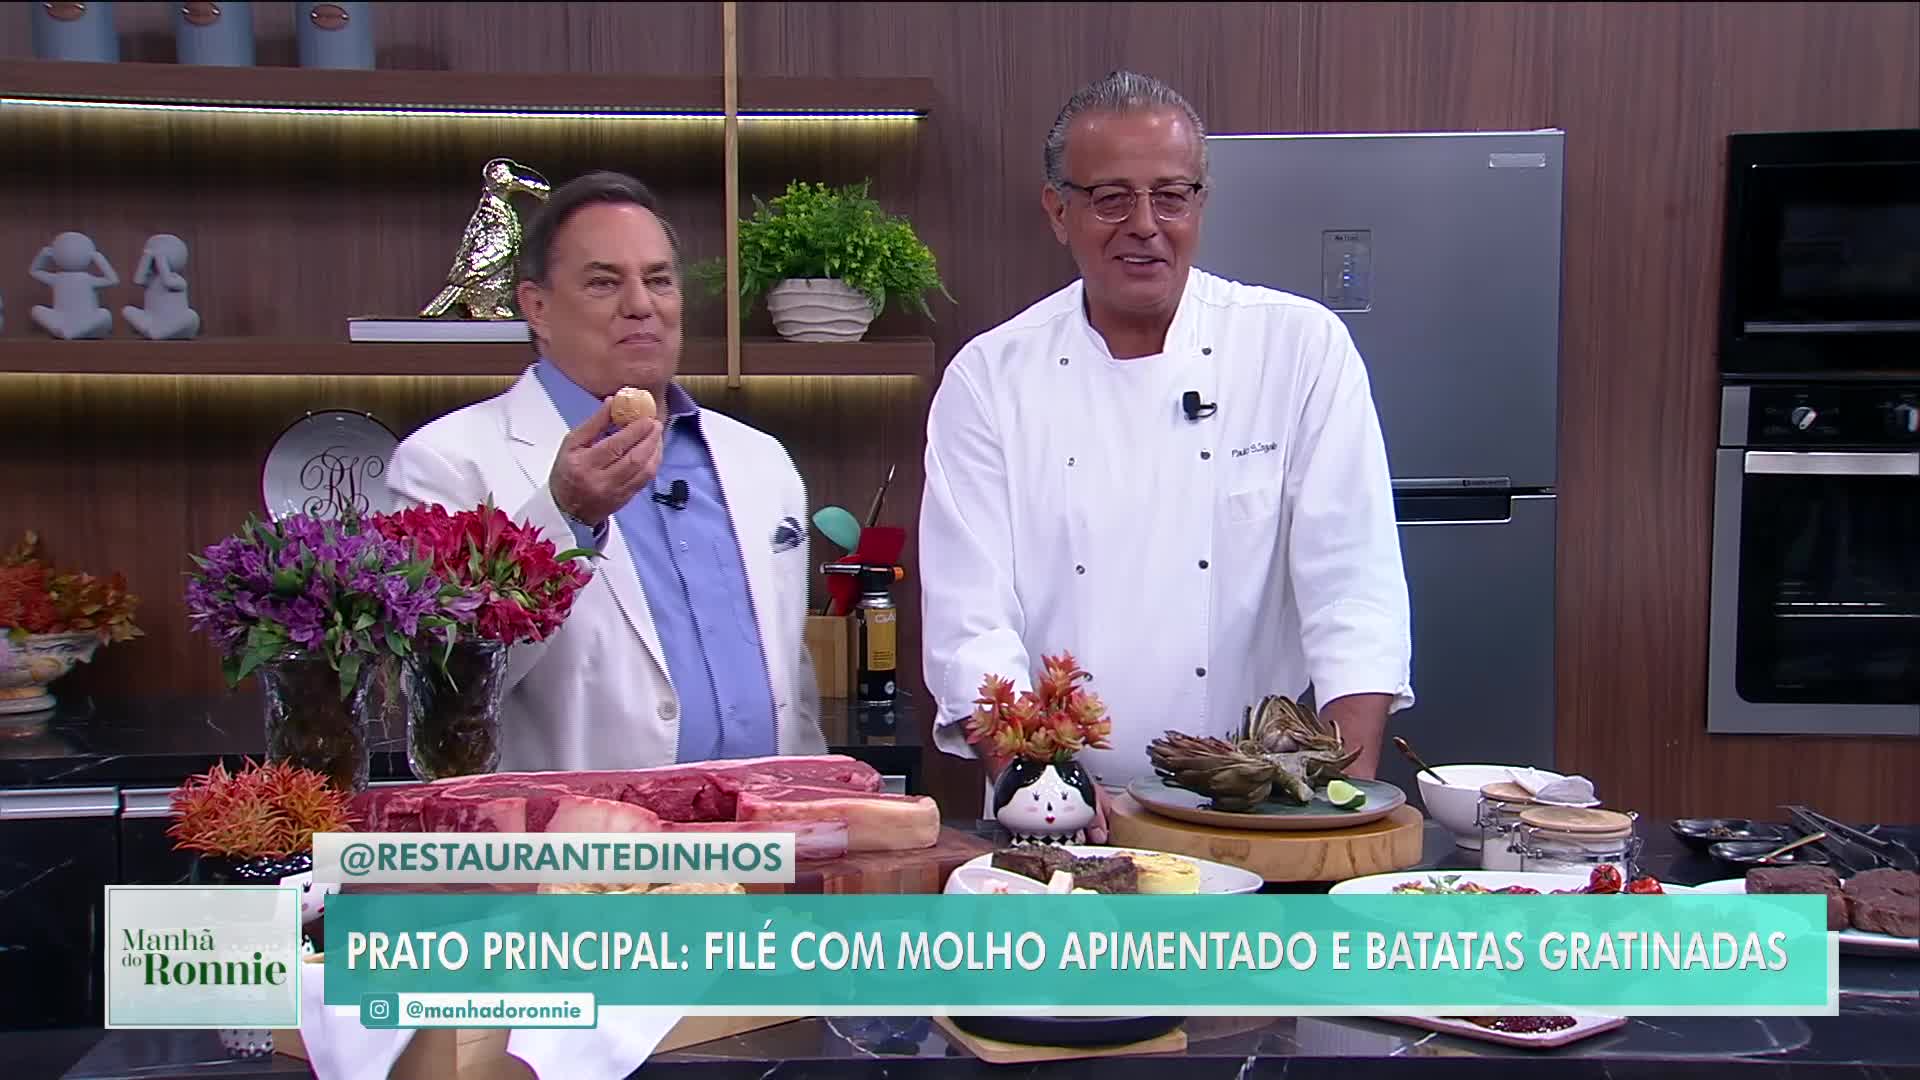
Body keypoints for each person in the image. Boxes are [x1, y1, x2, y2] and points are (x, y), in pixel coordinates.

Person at [919, 71, 1413, 840]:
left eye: (1171, 196)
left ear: (1200, 204)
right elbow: (970, 627)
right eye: (1111, 198)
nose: (1145, 225)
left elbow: (1354, 594)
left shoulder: (1299, 348)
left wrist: (1337, 805)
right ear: (1058, 211)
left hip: (1259, 810)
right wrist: (1050, 790)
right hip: (1061, 818)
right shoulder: (990, 379)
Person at [387, 171, 824, 773]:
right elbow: (438, 688)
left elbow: (791, 687)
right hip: (573, 829)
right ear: (537, 307)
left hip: (765, 821)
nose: (641, 305)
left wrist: (815, 799)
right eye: (604, 282)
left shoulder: (760, 459)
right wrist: (565, 516)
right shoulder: (445, 463)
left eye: (659, 280)